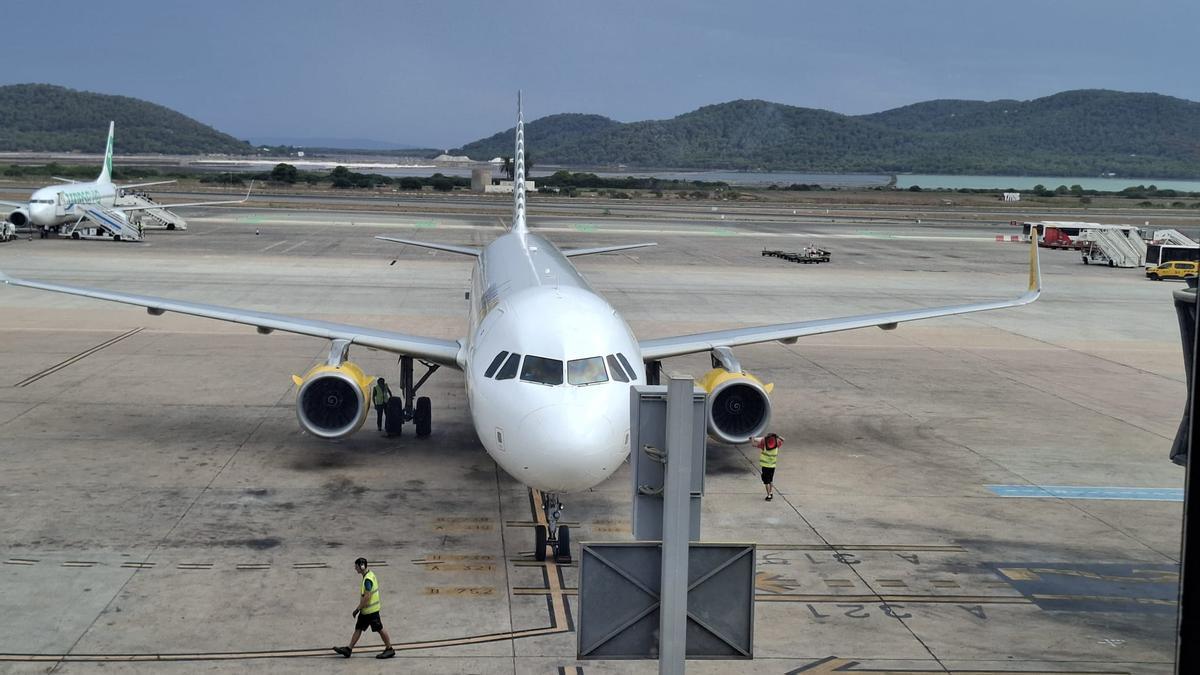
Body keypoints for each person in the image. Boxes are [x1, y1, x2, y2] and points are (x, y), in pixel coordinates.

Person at [333, 558, 395, 659]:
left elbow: (367, 597)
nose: (355, 568)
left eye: (356, 566)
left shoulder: (367, 580)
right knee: (358, 628)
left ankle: (390, 649)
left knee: (379, 628)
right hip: (366, 611)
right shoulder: (370, 574)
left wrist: (357, 609)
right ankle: (348, 649)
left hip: (371, 611)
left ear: (362, 566)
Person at [751, 433, 784, 501]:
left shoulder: (764, 444)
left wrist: (752, 439)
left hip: (765, 466)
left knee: (766, 481)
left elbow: (754, 444)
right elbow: (783, 440)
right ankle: (771, 492)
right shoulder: (777, 444)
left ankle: (768, 495)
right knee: (770, 480)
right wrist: (777, 436)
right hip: (772, 466)